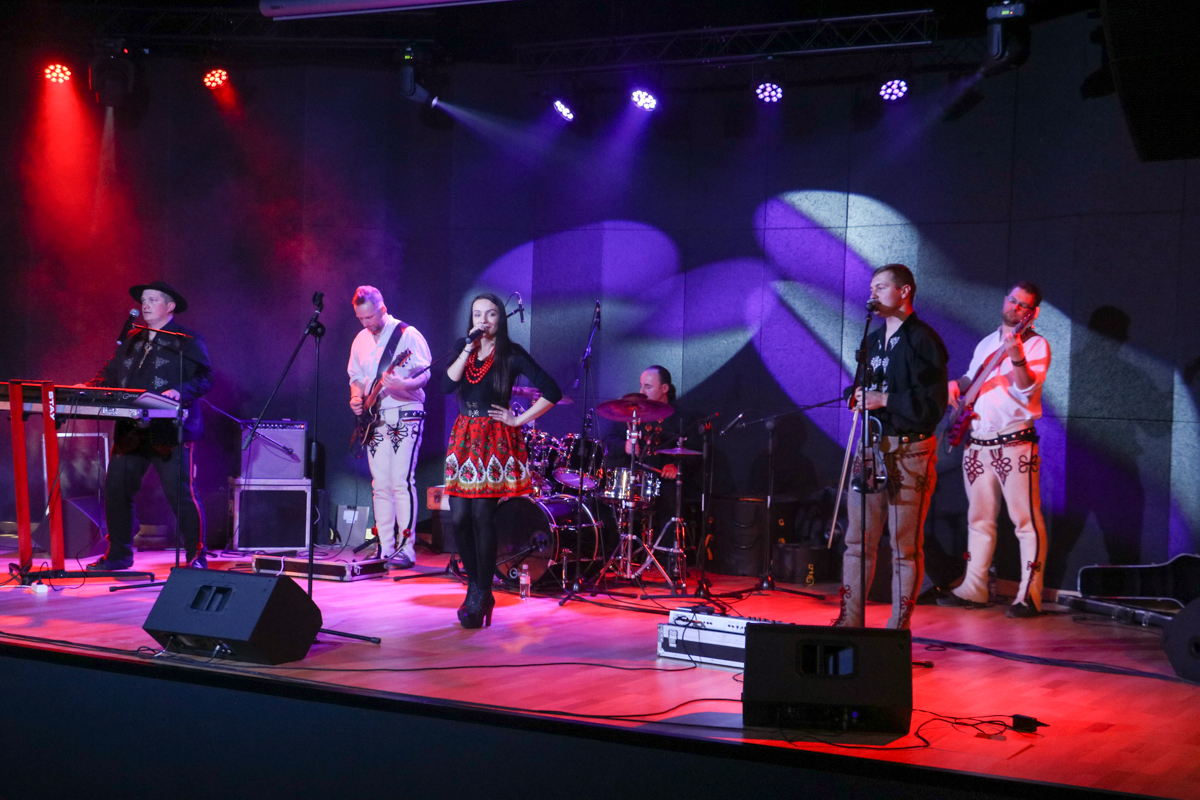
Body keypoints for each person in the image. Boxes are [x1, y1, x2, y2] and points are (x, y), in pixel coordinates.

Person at [834, 264, 948, 629]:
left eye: (881, 287)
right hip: (870, 448)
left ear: (904, 291)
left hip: (910, 451)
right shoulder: (872, 338)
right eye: (872, 288)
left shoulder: (923, 340)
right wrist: (855, 395)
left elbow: (933, 407)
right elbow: (862, 385)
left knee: (904, 546)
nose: (873, 294)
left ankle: (898, 627)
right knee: (857, 541)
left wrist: (885, 399)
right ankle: (850, 621)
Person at [443, 293, 561, 628]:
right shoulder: (463, 348)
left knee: (482, 516)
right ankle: (476, 586)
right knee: (459, 517)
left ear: (500, 319)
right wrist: (467, 348)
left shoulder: (511, 352)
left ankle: (480, 592)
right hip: (464, 437)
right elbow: (445, 385)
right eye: (477, 314)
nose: (483, 320)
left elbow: (551, 390)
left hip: (493, 439)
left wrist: (518, 420)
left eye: (490, 314)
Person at [940, 282, 1050, 618]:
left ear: (1033, 312)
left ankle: (1029, 595)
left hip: (1014, 440)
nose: (1015, 307)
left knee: (1025, 521)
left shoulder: (1037, 344)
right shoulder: (988, 341)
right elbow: (972, 378)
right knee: (979, 519)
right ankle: (973, 587)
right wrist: (955, 384)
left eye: (1023, 304)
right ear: (1005, 300)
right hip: (978, 440)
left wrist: (1016, 354)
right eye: (1012, 300)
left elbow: (1027, 387)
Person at [85, 281, 213, 571]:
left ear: (169, 306)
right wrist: (89, 387)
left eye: (153, 299)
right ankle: (119, 554)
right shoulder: (132, 338)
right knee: (116, 489)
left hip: (169, 430)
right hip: (132, 427)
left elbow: (205, 377)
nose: (145, 304)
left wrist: (180, 391)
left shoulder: (187, 339)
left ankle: (196, 556)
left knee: (181, 494)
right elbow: (111, 372)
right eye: (144, 299)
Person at [347, 286, 432, 569]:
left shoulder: (408, 334)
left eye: (370, 317)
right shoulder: (360, 339)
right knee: (380, 485)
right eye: (361, 319)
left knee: (401, 481)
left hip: (406, 413)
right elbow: (356, 376)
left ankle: (406, 549)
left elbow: (424, 375)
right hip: (375, 417)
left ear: (382, 309)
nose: (366, 323)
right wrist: (356, 398)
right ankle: (385, 547)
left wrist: (402, 384)